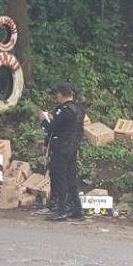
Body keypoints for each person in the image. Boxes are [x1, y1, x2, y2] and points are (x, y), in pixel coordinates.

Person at [39, 82, 85, 222]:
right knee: (71, 178)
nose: (57, 96)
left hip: (61, 148)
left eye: (58, 93)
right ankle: (77, 210)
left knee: (60, 179)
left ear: (61, 94)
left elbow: (52, 128)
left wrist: (43, 121)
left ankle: (61, 210)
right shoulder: (79, 109)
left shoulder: (63, 110)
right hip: (73, 148)